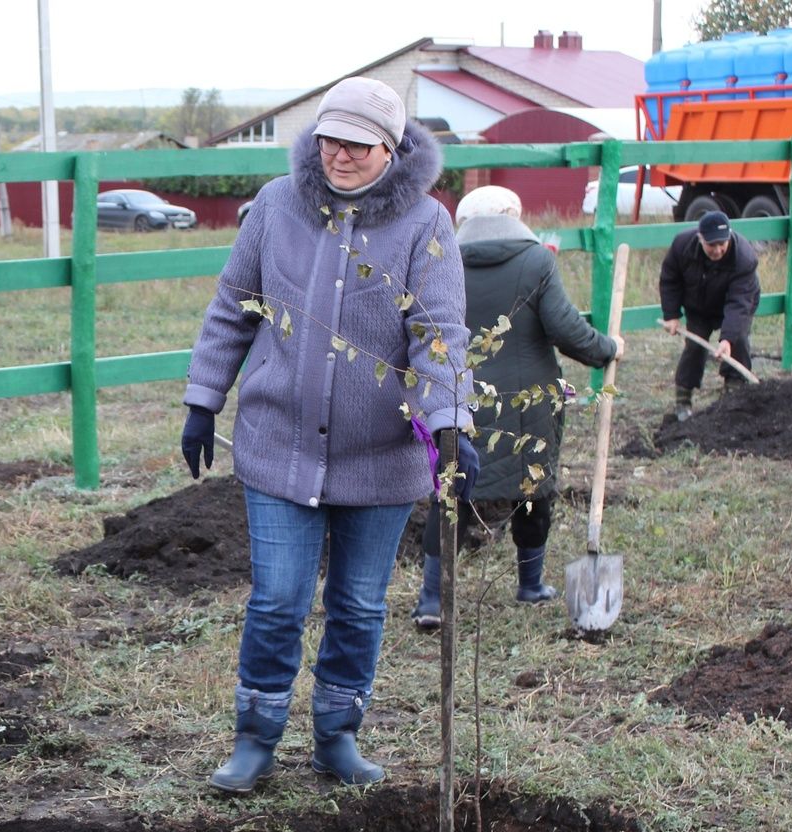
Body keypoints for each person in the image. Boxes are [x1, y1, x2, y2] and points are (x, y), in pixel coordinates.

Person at [181, 77, 477, 793]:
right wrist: (202, 398)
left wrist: (449, 422)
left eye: (357, 143)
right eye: (329, 139)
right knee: (279, 599)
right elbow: (232, 306)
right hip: (278, 446)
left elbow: (437, 334)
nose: (338, 155)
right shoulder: (277, 207)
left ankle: (338, 734)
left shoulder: (426, 224)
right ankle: (255, 737)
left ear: (392, 149)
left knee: (358, 604)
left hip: (380, 460)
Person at [410, 186, 623, 631]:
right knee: (533, 491)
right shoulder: (536, 262)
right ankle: (530, 584)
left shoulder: (438, 261)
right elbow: (566, 330)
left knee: (452, 496)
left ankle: (432, 600)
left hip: (457, 398)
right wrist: (608, 348)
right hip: (529, 403)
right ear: (514, 214)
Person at [659, 209, 760, 421]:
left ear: (729, 236)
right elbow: (670, 279)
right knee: (695, 347)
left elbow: (739, 303)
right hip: (699, 306)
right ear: (700, 238)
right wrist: (672, 314)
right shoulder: (682, 246)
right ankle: (683, 400)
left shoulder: (744, 257)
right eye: (711, 244)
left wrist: (727, 338)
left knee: (738, 343)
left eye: (722, 243)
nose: (718, 249)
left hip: (735, 305)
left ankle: (734, 395)